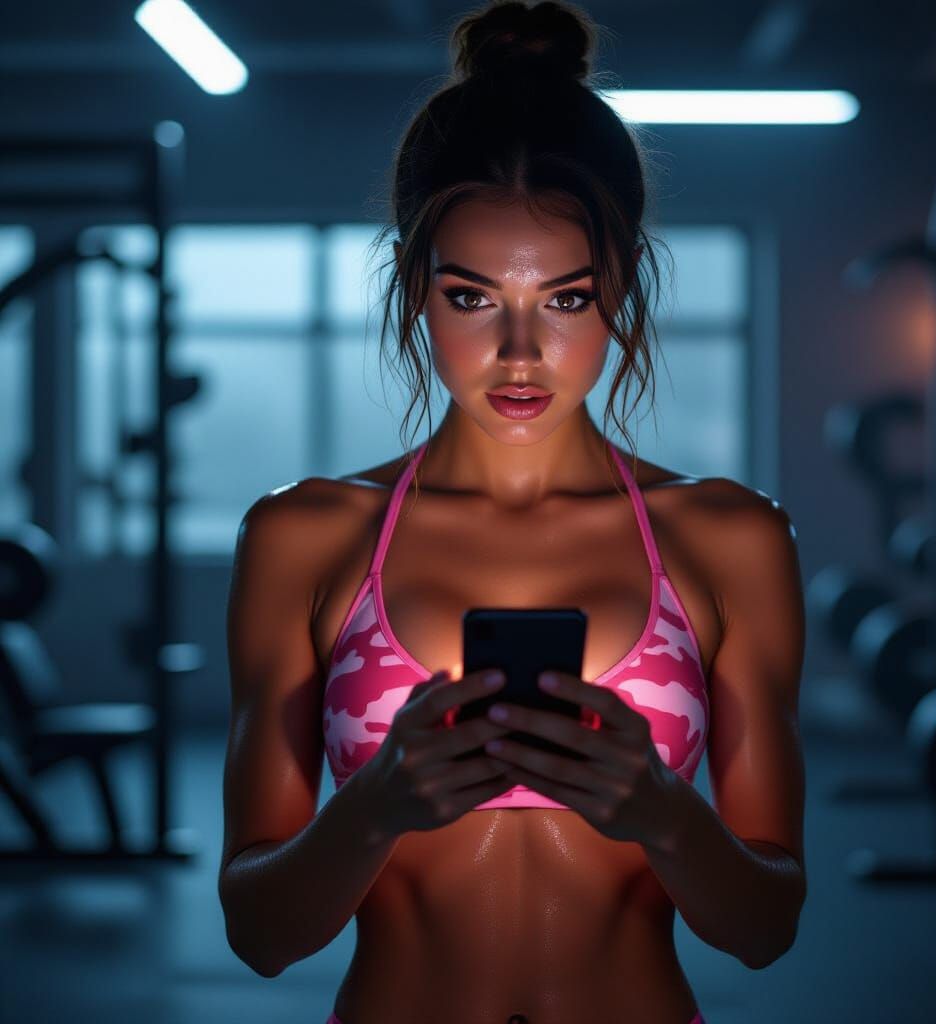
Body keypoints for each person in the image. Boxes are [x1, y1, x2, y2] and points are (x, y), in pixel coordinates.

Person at [217, 2, 807, 1021]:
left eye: (567, 299)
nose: (521, 351)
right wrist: (378, 806)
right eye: (472, 297)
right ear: (413, 291)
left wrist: (660, 813)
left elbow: (763, 930)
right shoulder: (305, 537)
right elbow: (260, 935)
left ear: (623, 282)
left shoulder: (727, 539)